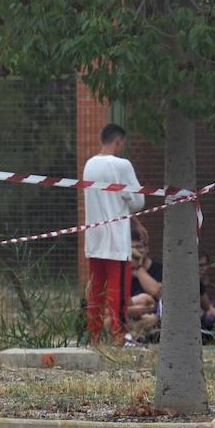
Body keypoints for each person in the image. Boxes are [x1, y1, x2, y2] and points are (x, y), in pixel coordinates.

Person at [83, 123, 145, 343]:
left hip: (94, 238)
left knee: (96, 290)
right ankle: (120, 335)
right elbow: (138, 200)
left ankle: (94, 336)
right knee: (119, 289)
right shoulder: (122, 165)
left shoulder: (89, 165)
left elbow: (109, 200)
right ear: (118, 141)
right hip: (115, 241)